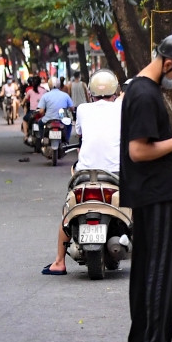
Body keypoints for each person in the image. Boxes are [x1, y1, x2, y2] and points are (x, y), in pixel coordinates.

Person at [120, 34, 172, 342]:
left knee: (147, 268)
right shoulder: (144, 93)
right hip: (157, 193)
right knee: (164, 271)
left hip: (156, 192)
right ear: (169, 62)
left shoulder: (143, 90)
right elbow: (138, 151)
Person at [43, 70, 124, 276]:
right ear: (116, 91)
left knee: (67, 208)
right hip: (116, 172)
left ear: (91, 92)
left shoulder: (83, 110)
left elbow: (80, 133)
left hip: (85, 173)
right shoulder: (123, 107)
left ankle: (59, 262)